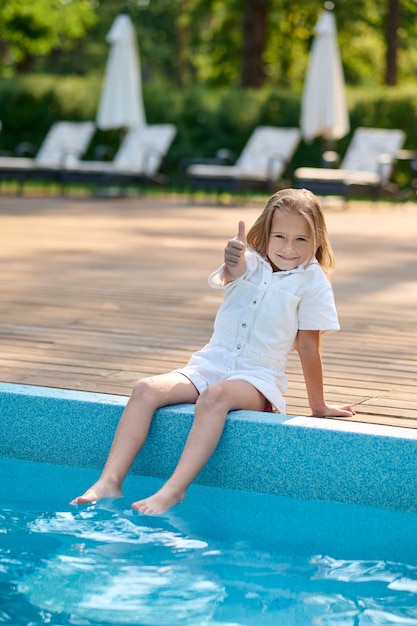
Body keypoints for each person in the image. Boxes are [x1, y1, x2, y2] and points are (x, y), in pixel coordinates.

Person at [71, 188, 355, 515]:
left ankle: (173, 490)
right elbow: (234, 271)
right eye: (280, 236)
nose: (289, 248)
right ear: (265, 234)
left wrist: (318, 406)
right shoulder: (249, 262)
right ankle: (110, 481)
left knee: (214, 398)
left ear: (317, 240)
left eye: (301, 240)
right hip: (210, 362)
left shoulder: (313, 283)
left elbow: (307, 344)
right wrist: (232, 259)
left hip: (257, 378)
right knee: (145, 388)